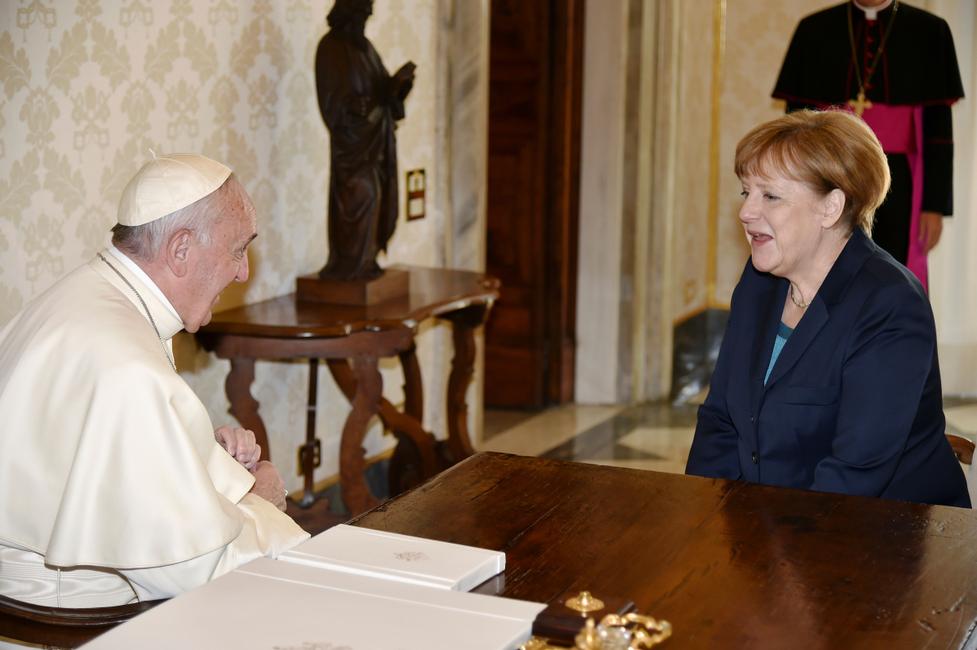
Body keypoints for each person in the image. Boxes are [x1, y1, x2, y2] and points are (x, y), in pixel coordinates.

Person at [0, 154, 309, 610]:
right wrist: (260, 500)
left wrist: (204, 459)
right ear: (181, 249)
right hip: (79, 618)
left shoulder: (79, 297)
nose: (243, 272)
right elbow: (198, 570)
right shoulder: (128, 368)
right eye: (237, 249)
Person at [685, 110, 969, 508]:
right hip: (774, 529)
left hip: (884, 541)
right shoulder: (760, 282)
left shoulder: (891, 304)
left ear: (831, 207)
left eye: (770, 195)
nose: (746, 212)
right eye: (745, 192)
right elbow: (721, 421)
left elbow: (853, 475)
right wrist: (705, 518)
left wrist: (763, 551)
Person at [772, 0, 964, 289]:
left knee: (891, 270)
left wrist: (934, 207)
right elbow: (796, 125)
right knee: (828, 264)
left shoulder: (930, 31)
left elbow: (938, 132)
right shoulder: (814, 29)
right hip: (831, 169)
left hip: (901, 179)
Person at [315, 0, 415, 280]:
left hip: (376, 143)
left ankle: (366, 262)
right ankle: (349, 265)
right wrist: (353, 108)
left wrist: (398, 86)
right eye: (362, 13)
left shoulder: (366, 49)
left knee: (378, 199)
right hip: (352, 149)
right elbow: (331, 104)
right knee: (362, 195)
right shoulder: (331, 47)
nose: (366, 18)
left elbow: (382, 91)